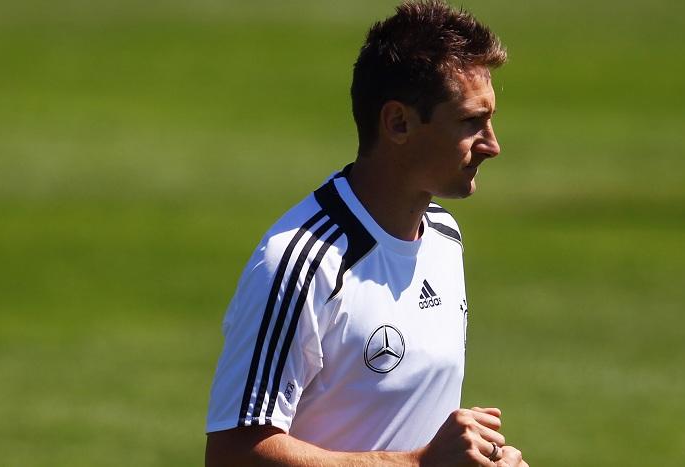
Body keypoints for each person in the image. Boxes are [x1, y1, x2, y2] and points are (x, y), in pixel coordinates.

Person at [205, 1, 529, 466]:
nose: (492, 145)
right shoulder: (300, 265)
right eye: (469, 122)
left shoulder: (443, 237)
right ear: (398, 123)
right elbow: (233, 454)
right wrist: (416, 463)